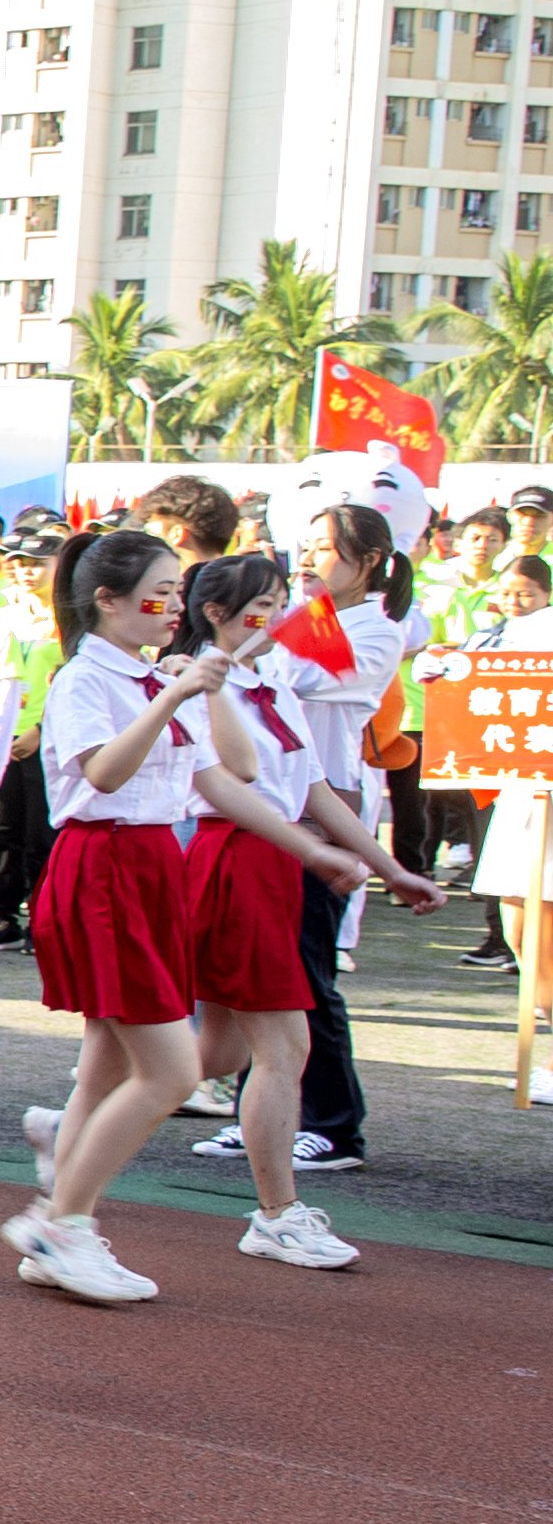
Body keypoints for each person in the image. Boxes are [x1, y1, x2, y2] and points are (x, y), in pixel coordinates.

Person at [165, 549, 442, 1267]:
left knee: (213, 1052)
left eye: (285, 596)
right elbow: (242, 784)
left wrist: (391, 868)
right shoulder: (195, 682)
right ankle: (277, 1212)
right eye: (266, 601)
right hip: (237, 861)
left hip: (276, 863)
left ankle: (72, 1143)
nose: (284, 611)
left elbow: (314, 790)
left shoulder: (273, 683)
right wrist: (314, 852)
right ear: (218, 614)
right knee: (284, 1046)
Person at [6, 527, 241, 1306]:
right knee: (170, 1071)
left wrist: (340, 857)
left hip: (149, 867)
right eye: (161, 591)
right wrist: (173, 694)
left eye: (179, 591)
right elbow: (103, 775)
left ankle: (59, 1222)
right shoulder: (86, 681)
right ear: (107, 599)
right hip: (106, 865)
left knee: (106, 1064)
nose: (175, 606)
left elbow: (228, 776)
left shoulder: (148, 676)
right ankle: (63, 1221)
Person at [234, 501, 420, 1174]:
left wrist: (264, 632)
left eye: (325, 548)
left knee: (309, 968)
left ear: (370, 561)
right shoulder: (299, 620)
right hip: (272, 807)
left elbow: (294, 678)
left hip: (326, 811)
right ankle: (262, 1111)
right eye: (304, 546)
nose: (308, 559)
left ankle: (335, 1127)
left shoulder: (377, 631)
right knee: (260, 967)